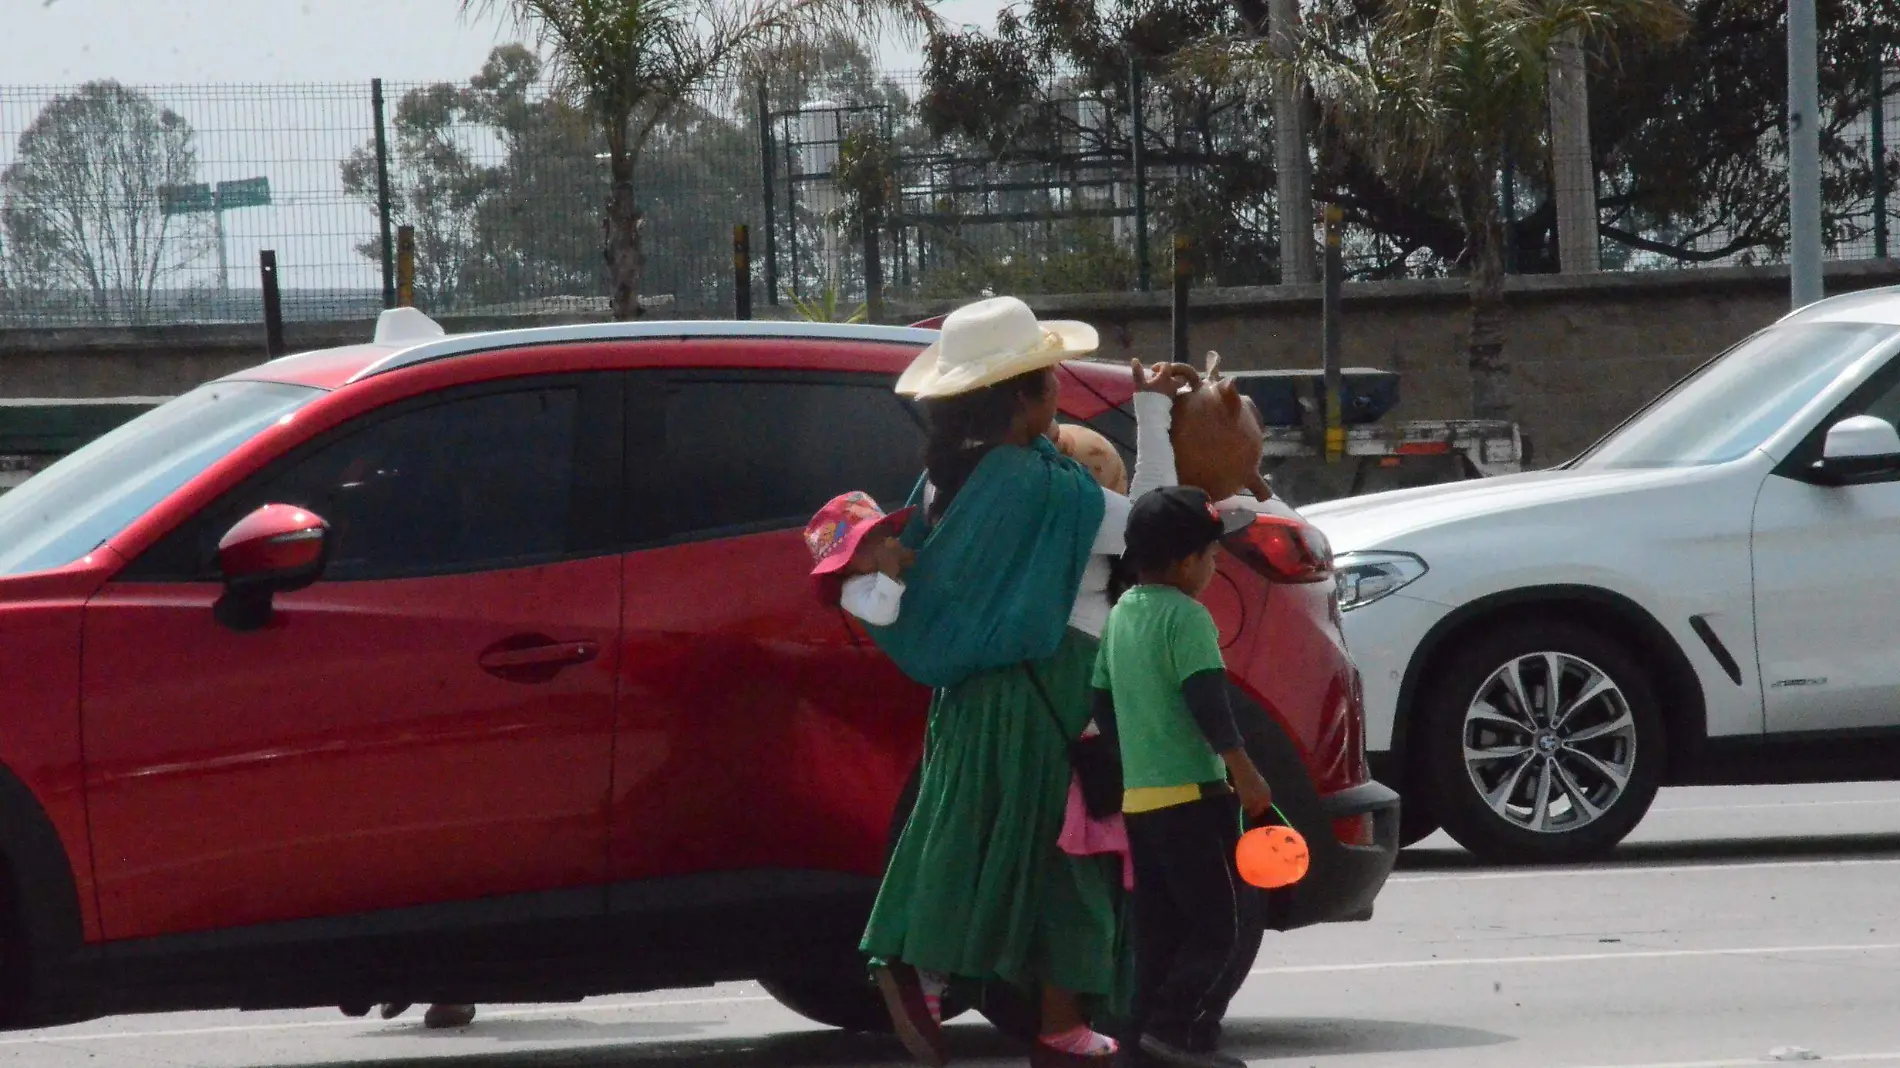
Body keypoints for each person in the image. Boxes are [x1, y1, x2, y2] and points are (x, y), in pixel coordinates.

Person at [855, 295, 1190, 1068]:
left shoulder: (943, 484)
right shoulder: (1044, 488)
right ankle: (952, 978)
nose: (1058, 389)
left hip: (969, 700)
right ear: (1022, 398)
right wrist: (1151, 412)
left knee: (969, 841)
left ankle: (960, 988)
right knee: (1069, 855)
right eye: (1047, 378)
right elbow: (1156, 524)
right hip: (1050, 694)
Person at [1090, 487, 1274, 1068]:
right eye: (1212, 557)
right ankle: (1176, 1031)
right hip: (1195, 796)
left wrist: (1134, 758)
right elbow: (1207, 702)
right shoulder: (1187, 617)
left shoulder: (1121, 614)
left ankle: (1137, 1048)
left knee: (1159, 932)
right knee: (1221, 926)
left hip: (1142, 801)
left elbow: (1100, 699)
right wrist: (1244, 772)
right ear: (1187, 561)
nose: (1214, 568)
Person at [805, 491, 915, 626]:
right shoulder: (852, 590)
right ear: (843, 565)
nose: (883, 541)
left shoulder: (883, 558)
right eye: (864, 540)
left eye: (884, 531)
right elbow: (881, 615)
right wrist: (888, 572)